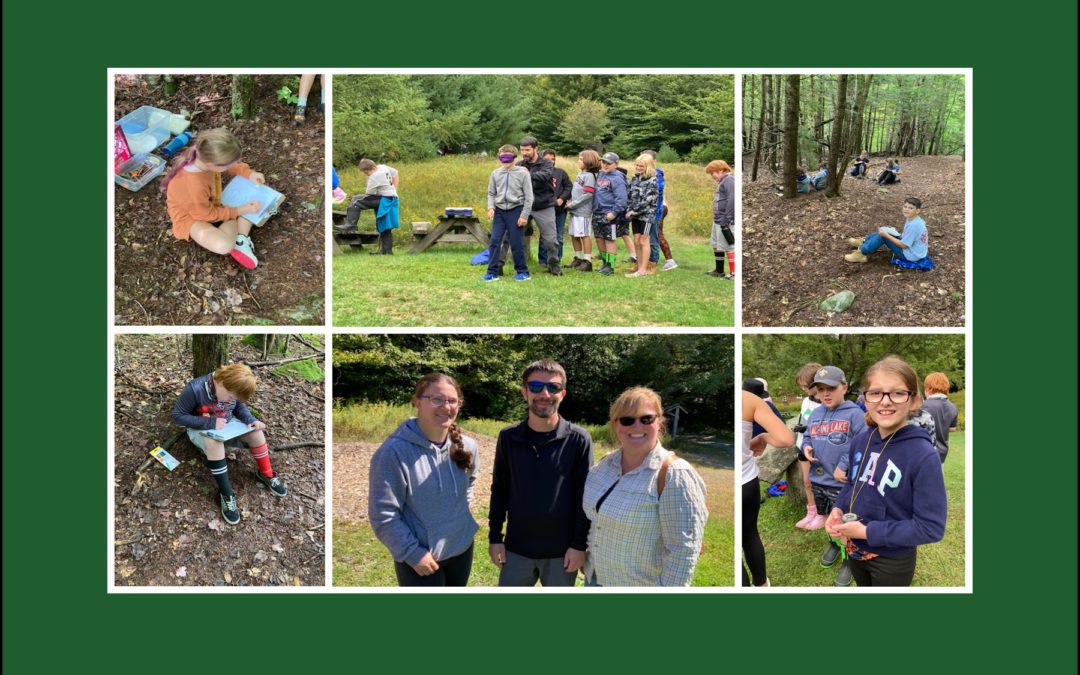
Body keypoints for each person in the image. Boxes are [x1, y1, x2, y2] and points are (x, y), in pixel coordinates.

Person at [826, 356, 948, 587]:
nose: (885, 401)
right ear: (865, 399)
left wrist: (867, 532)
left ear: (914, 401)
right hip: (855, 549)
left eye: (897, 393)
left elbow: (930, 528)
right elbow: (852, 483)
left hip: (892, 560)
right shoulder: (861, 441)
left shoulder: (923, 455)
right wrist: (838, 508)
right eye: (876, 393)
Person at [583, 387, 708, 586]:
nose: (637, 426)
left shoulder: (674, 474)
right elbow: (594, 520)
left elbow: (683, 550)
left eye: (646, 419)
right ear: (616, 425)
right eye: (627, 420)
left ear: (659, 421)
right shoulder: (605, 465)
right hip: (595, 578)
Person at [368, 373, 480, 587]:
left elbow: (470, 481)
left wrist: (459, 516)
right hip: (422, 560)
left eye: (452, 401)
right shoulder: (393, 453)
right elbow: (383, 515)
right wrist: (413, 553)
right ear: (417, 402)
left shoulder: (468, 446)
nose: (446, 407)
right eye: (436, 399)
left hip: (462, 547)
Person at [488, 360, 592, 586]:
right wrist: (495, 537)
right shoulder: (508, 437)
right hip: (516, 550)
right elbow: (500, 488)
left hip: (562, 553)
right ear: (524, 392)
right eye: (535, 386)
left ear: (562, 393)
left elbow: (584, 497)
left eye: (552, 387)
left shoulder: (579, 439)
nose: (544, 393)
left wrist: (578, 545)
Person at [171, 363, 286, 526]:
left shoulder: (232, 391)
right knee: (214, 441)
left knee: (256, 433)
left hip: (227, 425)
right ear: (223, 383)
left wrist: (251, 420)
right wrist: (211, 422)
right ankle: (226, 494)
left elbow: (239, 407)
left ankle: (266, 474)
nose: (232, 400)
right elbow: (177, 416)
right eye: (231, 396)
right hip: (199, 429)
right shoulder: (195, 389)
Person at [162, 128, 266, 270]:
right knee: (224, 245)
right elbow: (203, 214)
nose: (230, 167)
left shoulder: (203, 158)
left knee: (247, 206)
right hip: (191, 217)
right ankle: (240, 235)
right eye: (227, 165)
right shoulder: (194, 185)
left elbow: (231, 166)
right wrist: (240, 210)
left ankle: (239, 235)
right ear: (212, 164)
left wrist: (248, 173)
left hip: (209, 204)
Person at [802, 365, 867, 586]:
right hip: (819, 480)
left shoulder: (855, 414)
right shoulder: (816, 413)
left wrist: (844, 464)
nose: (825, 394)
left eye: (830, 388)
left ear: (844, 387)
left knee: (845, 523)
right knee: (829, 519)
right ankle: (833, 543)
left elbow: (863, 445)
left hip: (842, 483)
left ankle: (849, 559)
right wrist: (807, 447)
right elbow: (808, 437)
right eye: (820, 389)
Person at [743, 390, 796, 587]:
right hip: (747, 483)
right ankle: (762, 585)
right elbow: (786, 439)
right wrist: (763, 437)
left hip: (742, 479)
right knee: (749, 535)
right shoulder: (749, 400)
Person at [482, 145, 534, 282]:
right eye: (502, 158)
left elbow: (529, 197)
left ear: (515, 158)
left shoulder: (523, 173)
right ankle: (492, 272)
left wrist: (524, 215)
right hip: (499, 212)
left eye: (508, 157)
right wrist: (490, 207)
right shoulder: (495, 174)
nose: (505, 161)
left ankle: (523, 272)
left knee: (516, 243)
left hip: (516, 211)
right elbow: (491, 193)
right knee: (494, 241)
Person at [517, 136, 562, 276]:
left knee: (551, 239)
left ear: (536, 149)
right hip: (524, 206)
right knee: (512, 235)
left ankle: (553, 264)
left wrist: (526, 174)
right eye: (522, 150)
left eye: (527, 150)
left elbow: (545, 176)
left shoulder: (546, 162)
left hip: (544, 205)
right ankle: (508, 264)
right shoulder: (519, 164)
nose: (524, 153)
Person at [336, 159, 400, 255]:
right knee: (384, 225)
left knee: (356, 202)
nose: (366, 174)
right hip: (391, 198)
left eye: (367, 172)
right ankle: (386, 251)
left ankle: (350, 225)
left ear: (373, 168)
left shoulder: (374, 176)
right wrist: (394, 189)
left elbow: (369, 193)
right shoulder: (383, 167)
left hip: (383, 200)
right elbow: (395, 173)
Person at [845, 197, 930, 265]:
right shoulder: (914, 219)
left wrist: (887, 235)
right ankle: (864, 242)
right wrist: (892, 232)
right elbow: (908, 236)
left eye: (910, 208)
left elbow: (904, 246)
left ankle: (861, 253)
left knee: (883, 236)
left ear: (917, 211)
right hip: (913, 250)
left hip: (911, 255)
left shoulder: (914, 225)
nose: (906, 209)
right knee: (884, 231)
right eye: (905, 206)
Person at [792, 363, 823, 529]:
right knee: (807, 481)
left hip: (818, 450)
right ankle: (811, 512)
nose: (803, 389)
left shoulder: (826, 403)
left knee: (820, 482)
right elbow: (803, 418)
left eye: (805, 385)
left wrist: (809, 429)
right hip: (802, 446)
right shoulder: (805, 401)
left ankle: (821, 513)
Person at [591, 153, 628, 276]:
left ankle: (611, 266)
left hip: (609, 213)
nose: (605, 165)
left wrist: (614, 213)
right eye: (603, 162)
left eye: (608, 163)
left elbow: (622, 198)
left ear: (616, 164)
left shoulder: (617, 178)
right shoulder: (601, 174)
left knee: (609, 239)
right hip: (597, 212)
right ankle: (604, 263)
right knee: (599, 238)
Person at [624, 154, 660, 277]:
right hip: (634, 215)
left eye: (641, 166)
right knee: (637, 240)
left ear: (648, 166)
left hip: (647, 215)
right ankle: (638, 267)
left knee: (644, 241)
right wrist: (629, 209)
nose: (638, 167)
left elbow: (647, 201)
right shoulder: (634, 179)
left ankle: (643, 270)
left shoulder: (653, 180)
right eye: (637, 165)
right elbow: (629, 196)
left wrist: (633, 212)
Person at [641, 150, 677, 271]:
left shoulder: (657, 173)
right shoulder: (643, 172)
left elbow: (658, 193)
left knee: (656, 235)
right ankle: (655, 259)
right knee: (654, 235)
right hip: (650, 209)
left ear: (654, 161)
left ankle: (665, 261)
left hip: (659, 208)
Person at [565, 150, 600, 272]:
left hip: (582, 211)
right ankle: (578, 258)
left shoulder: (590, 176)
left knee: (584, 235)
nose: (578, 161)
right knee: (574, 235)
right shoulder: (581, 174)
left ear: (588, 161)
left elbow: (588, 194)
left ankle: (587, 260)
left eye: (581, 159)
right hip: (574, 210)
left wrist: (573, 204)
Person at [537, 149, 572, 269]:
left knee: (559, 236)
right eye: (547, 159)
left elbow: (568, 187)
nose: (551, 161)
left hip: (559, 210)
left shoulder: (561, 173)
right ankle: (543, 261)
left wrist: (562, 198)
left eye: (553, 159)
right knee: (544, 236)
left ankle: (556, 260)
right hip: (545, 208)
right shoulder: (538, 173)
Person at [706, 159, 735, 279]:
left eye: (714, 173)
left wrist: (727, 217)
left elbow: (732, 199)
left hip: (725, 219)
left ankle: (734, 273)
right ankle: (719, 270)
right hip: (718, 218)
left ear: (722, 170)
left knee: (729, 245)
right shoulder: (722, 181)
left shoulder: (730, 180)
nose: (712, 176)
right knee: (717, 244)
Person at [921, 372, 959, 463]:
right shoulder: (953, 407)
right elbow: (952, 429)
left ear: (929, 388)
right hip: (942, 454)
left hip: (924, 452)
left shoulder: (923, 406)